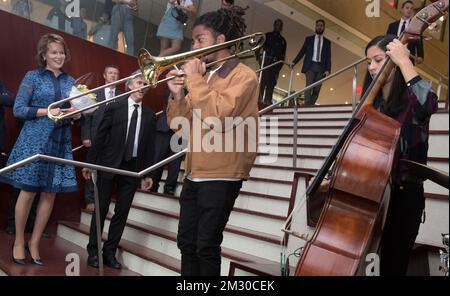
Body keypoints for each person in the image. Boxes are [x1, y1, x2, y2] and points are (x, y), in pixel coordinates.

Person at [166, 6, 259, 276]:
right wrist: (177, 96)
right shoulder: (204, 78)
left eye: (199, 39)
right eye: (193, 40)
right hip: (195, 170)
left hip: (223, 172)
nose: (193, 45)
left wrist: (194, 79)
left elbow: (216, 117)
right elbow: (179, 126)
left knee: (206, 245)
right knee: (186, 243)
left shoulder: (244, 76)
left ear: (220, 41)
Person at [0, 33, 79, 266]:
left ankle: (34, 242)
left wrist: (78, 110)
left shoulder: (71, 81)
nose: (58, 56)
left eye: (61, 52)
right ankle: (18, 241)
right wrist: (47, 111)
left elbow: (75, 113)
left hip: (60, 140)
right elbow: (18, 109)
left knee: (50, 193)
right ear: (43, 55)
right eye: (54, 52)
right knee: (28, 191)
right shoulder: (32, 76)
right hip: (34, 140)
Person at [362, 35, 437, 275]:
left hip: (405, 195)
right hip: (376, 194)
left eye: (378, 59)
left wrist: (405, 62)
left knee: (394, 266)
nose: (371, 67)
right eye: (368, 62)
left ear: (392, 59)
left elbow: (428, 106)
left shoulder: (411, 97)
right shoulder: (373, 104)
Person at [82, 71, 156, 269]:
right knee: (102, 209)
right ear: (129, 85)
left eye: (145, 84)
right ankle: (93, 251)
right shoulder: (114, 107)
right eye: (139, 82)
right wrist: (90, 163)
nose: (142, 86)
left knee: (122, 212)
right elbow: (99, 137)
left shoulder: (149, 115)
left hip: (132, 169)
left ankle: (109, 252)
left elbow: (149, 147)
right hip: (109, 164)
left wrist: (147, 173)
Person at [81, 65, 122, 212]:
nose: (113, 76)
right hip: (95, 138)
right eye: (110, 73)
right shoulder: (94, 93)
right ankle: (90, 200)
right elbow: (86, 118)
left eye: (116, 73)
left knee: (107, 173)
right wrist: (86, 136)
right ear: (104, 75)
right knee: (91, 169)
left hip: (113, 141)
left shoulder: (122, 96)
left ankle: (103, 202)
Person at [150, 89, 185, 195]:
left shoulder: (190, 87)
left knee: (175, 161)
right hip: (164, 127)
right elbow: (169, 97)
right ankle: (153, 184)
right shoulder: (170, 86)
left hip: (181, 129)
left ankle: (169, 187)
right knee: (157, 158)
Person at [291, 19, 331, 106]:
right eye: (318, 25)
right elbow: (302, 51)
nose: (319, 27)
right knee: (309, 86)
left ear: (323, 28)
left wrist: (328, 69)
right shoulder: (309, 39)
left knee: (317, 88)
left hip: (321, 68)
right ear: (315, 27)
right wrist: (294, 62)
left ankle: (310, 105)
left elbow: (328, 57)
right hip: (310, 66)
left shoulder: (327, 42)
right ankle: (307, 105)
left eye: (321, 25)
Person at [257, 19, 287, 105]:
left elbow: (283, 56)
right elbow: (257, 47)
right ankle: (258, 102)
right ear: (274, 25)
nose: (278, 26)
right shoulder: (267, 35)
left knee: (271, 85)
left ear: (281, 28)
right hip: (265, 62)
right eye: (277, 24)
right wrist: (259, 58)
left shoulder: (283, 41)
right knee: (262, 83)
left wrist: (278, 68)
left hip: (275, 65)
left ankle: (267, 103)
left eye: (280, 25)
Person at [386, 0, 424, 65]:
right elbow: (387, 40)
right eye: (407, 8)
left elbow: (419, 44)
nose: (409, 10)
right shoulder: (392, 26)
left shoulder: (416, 27)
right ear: (402, 9)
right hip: (392, 57)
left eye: (411, 8)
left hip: (408, 59)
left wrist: (420, 56)